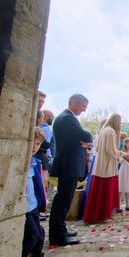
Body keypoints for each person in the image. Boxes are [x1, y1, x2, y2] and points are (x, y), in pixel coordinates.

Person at [49, 94, 92, 246]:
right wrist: (86, 139)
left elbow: (83, 139)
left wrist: (84, 142)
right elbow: (85, 135)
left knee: (64, 200)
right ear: (73, 102)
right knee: (63, 201)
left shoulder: (67, 118)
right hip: (68, 164)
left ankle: (61, 229)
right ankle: (57, 235)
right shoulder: (67, 118)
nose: (83, 111)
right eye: (82, 107)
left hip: (69, 164)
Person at [19, 127, 49, 257]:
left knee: (40, 234)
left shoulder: (34, 162)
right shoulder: (21, 162)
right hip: (24, 208)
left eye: (37, 144)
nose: (34, 146)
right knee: (32, 235)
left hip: (33, 206)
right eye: (32, 142)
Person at [83, 114, 122, 223]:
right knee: (104, 191)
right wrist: (122, 154)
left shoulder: (104, 130)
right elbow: (111, 151)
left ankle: (96, 215)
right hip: (106, 165)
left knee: (99, 191)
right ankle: (101, 215)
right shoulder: (110, 132)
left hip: (101, 164)